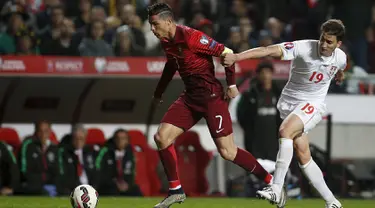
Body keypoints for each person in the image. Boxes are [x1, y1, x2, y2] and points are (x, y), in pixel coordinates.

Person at [147, 3, 277, 208]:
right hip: (190, 97)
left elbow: (227, 52)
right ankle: (175, 190)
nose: (152, 30)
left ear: (169, 21)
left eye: (155, 24)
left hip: (211, 97)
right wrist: (158, 93)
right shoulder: (166, 41)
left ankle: (273, 183)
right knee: (161, 137)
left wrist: (232, 84)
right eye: (150, 26)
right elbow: (172, 64)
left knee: (228, 152)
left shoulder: (192, 37)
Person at [222, 19, 346, 208]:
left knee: (285, 132)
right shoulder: (304, 47)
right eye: (322, 39)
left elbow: (341, 67)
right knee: (303, 155)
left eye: (329, 42)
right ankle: (332, 202)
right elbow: (267, 51)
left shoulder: (340, 57)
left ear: (338, 44)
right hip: (288, 104)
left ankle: (276, 187)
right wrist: (237, 57)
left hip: (312, 104)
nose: (323, 44)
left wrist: (339, 74)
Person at [237, 61, 281, 161]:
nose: (265, 75)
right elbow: (241, 115)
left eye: (268, 72)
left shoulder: (279, 93)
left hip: (274, 142)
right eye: (263, 72)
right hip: (255, 142)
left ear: (272, 74)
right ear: (258, 75)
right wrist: (249, 131)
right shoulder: (249, 95)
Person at [95, 129, 142, 196]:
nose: (120, 141)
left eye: (123, 138)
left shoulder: (130, 153)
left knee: (136, 191)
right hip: (109, 185)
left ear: (127, 140)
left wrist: (127, 184)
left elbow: (132, 172)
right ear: (114, 139)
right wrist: (115, 183)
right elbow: (99, 171)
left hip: (125, 185)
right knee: (111, 190)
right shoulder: (105, 151)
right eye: (118, 138)